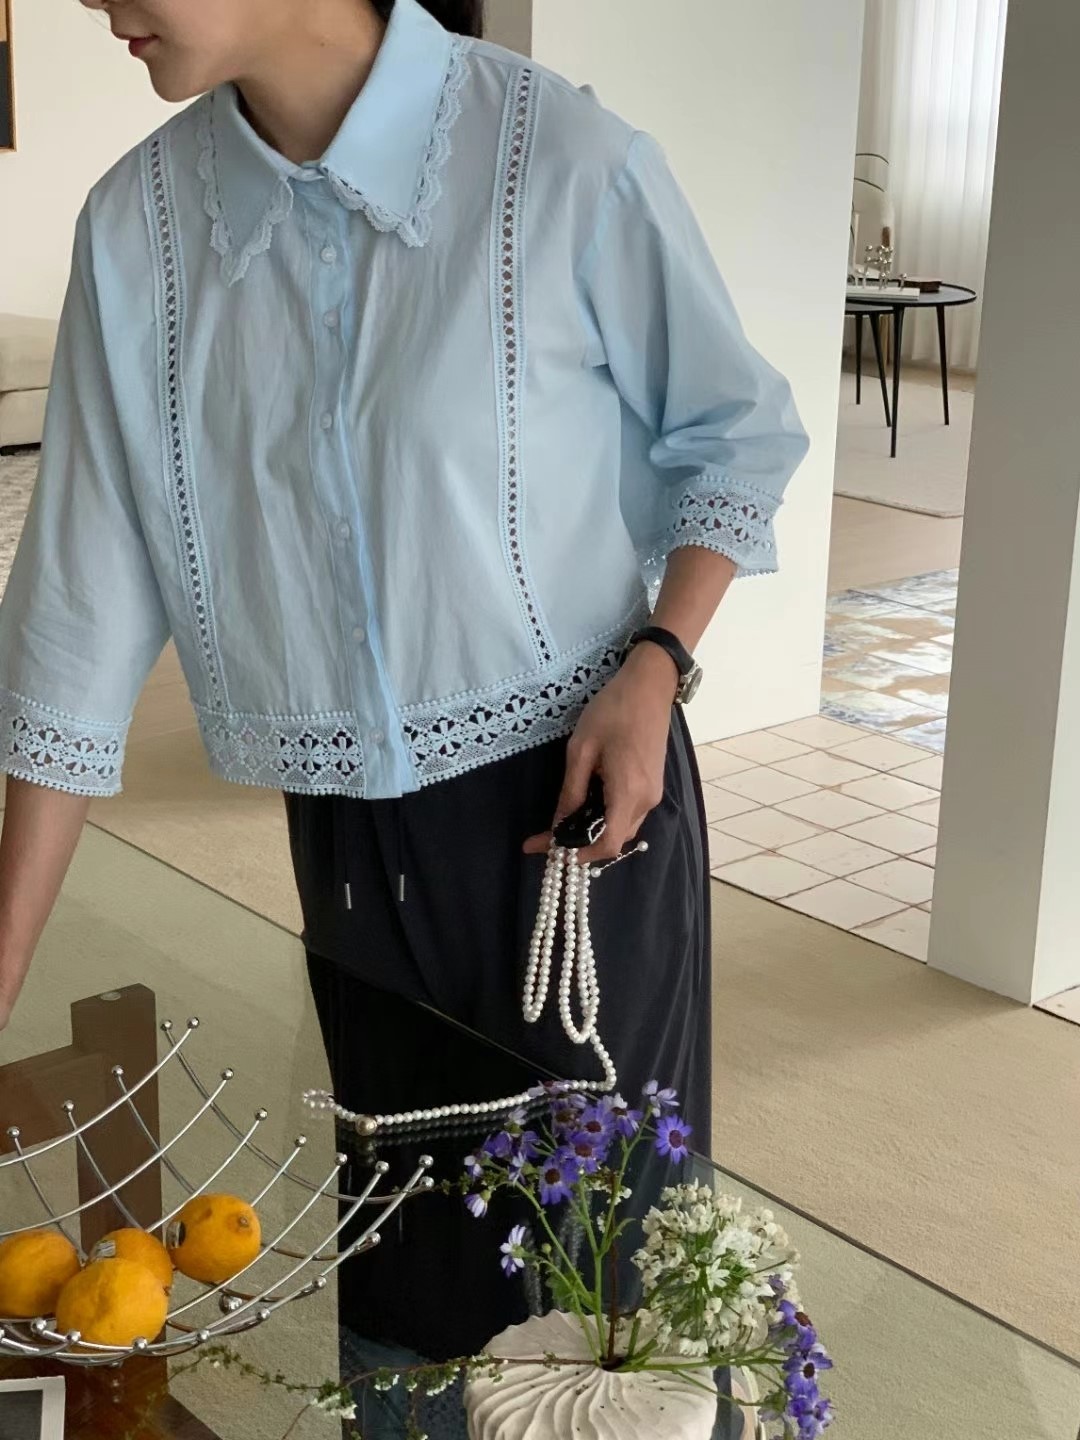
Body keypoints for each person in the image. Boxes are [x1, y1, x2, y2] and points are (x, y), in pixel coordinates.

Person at [0, 0, 807, 1153]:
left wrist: (660, 660)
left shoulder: (558, 156)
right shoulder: (139, 228)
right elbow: (76, 611)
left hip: (582, 791)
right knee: (398, 1241)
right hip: (343, 837)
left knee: (611, 1249)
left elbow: (734, 433)